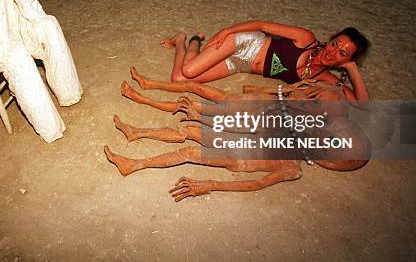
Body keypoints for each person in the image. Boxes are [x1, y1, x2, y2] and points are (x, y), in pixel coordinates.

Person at [105, 68, 370, 201]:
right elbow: (247, 125)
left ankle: (134, 164)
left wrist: (211, 184)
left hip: (235, 158)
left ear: (328, 161)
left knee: (188, 151)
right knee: (189, 129)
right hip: (232, 143)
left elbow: (256, 184)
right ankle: (136, 132)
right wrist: (206, 118)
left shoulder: (293, 167)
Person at [160, 21, 370, 103]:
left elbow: (362, 105)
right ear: (331, 39)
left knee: (178, 79)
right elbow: (262, 25)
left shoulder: (321, 76)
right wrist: (227, 31)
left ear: (347, 60)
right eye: (335, 44)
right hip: (243, 44)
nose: (333, 52)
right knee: (188, 70)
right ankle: (196, 38)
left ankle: (182, 39)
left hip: (240, 65)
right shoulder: (306, 38)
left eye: (343, 53)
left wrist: (352, 70)